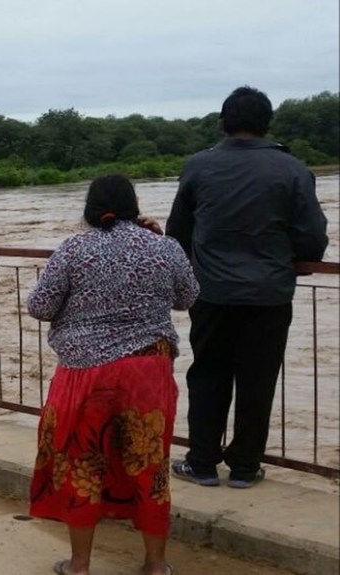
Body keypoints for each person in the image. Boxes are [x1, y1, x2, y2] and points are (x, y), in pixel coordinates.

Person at [27, 175, 199, 575]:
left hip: (87, 373)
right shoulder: (164, 247)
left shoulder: (74, 249)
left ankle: (79, 565)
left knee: (82, 463)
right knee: (149, 464)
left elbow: (40, 306)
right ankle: (155, 564)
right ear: (133, 207)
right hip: (147, 372)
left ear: (90, 209)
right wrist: (158, 244)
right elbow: (188, 296)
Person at [166, 86, 329, 489]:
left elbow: (177, 233)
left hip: (211, 293)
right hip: (269, 294)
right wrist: (289, 261)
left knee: (207, 376)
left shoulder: (198, 166)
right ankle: (245, 466)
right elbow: (313, 237)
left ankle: (202, 463)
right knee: (258, 380)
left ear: (223, 122)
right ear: (267, 123)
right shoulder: (293, 169)